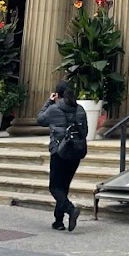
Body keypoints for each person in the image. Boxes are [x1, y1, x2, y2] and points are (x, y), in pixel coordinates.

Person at [37, 81, 87, 232]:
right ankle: (58, 221)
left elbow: (40, 119)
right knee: (63, 187)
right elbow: (84, 132)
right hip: (76, 151)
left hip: (59, 151)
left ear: (57, 95)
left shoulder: (54, 108)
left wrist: (49, 101)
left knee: (54, 187)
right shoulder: (80, 109)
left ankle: (71, 210)